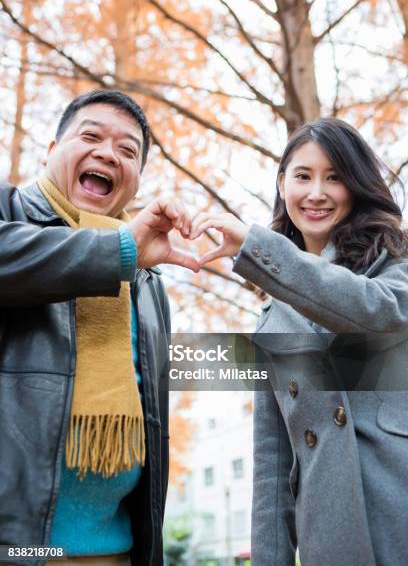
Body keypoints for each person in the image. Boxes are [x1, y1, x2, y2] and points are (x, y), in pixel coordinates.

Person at [190, 117, 408, 566]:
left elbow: (376, 311)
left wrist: (259, 250)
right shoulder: (271, 318)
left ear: (357, 186)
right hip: (329, 532)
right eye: (303, 176)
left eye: (335, 178)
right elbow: (271, 466)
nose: (316, 193)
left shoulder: (394, 264)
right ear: (281, 183)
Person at [0, 89, 199, 566]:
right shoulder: (10, 213)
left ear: (135, 180)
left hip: (114, 550)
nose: (108, 153)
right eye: (90, 136)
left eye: (128, 150)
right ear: (51, 151)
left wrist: (290, 350)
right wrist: (121, 252)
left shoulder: (145, 274)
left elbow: (160, 383)